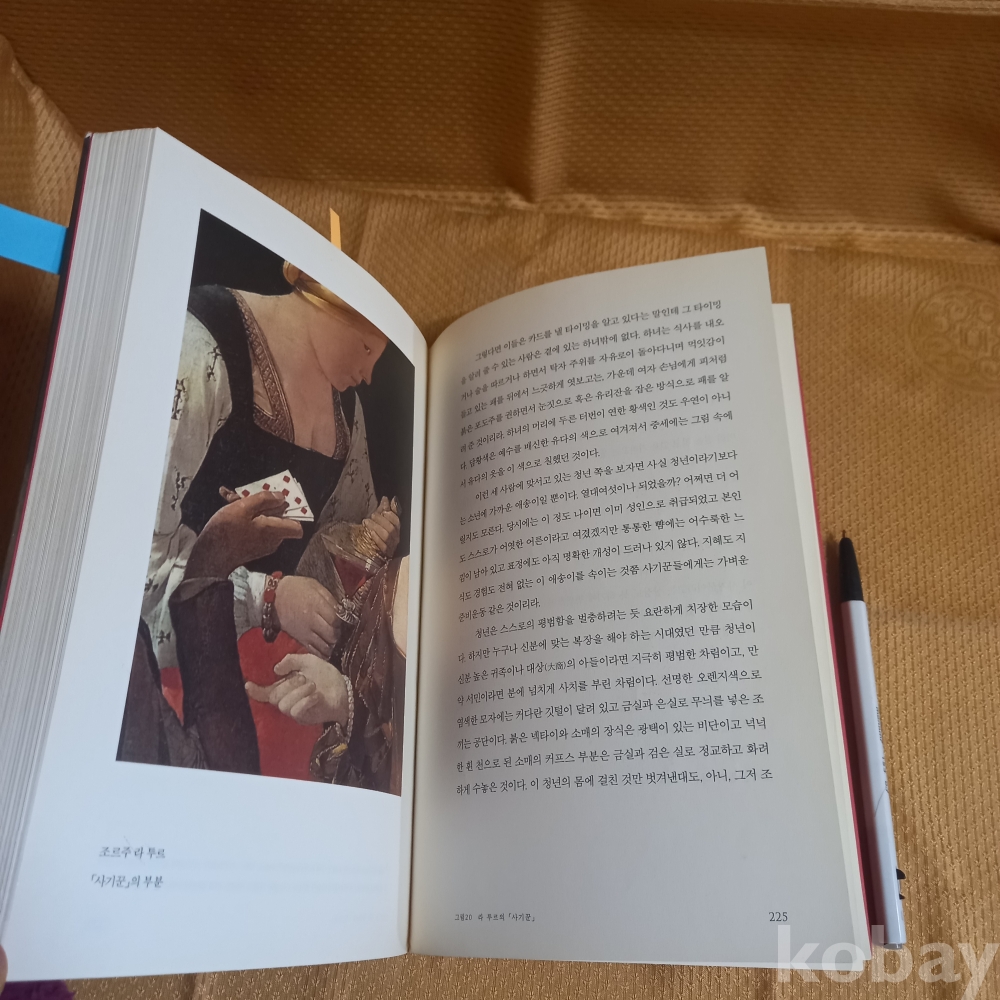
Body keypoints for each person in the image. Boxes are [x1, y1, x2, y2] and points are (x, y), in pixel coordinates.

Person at [132, 263, 400, 779]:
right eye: (367, 347)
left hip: (287, 692)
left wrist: (366, 541)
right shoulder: (202, 346)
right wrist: (268, 598)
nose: (369, 374)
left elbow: (333, 551)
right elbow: (135, 568)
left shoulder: (347, 413)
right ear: (327, 303)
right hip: (184, 682)